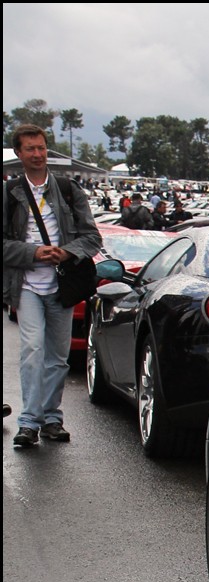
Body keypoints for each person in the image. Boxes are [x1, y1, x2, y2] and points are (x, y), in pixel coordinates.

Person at [4, 124, 103, 448]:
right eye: (30, 149)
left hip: (62, 287)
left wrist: (65, 252)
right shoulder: (10, 193)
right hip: (27, 285)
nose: (37, 154)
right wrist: (32, 252)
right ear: (18, 153)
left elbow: (91, 237)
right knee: (32, 351)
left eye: (41, 148)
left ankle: (51, 419)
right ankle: (29, 422)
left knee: (58, 357)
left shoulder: (69, 189)